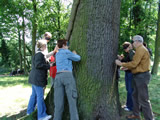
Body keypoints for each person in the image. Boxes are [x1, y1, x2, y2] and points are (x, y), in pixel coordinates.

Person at [115, 35, 154, 120]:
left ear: (137, 41)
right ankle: (136, 114)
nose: (132, 44)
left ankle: (150, 118)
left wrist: (121, 64)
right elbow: (138, 64)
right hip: (138, 75)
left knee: (143, 99)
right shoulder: (139, 49)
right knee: (135, 95)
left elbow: (134, 63)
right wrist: (127, 67)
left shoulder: (141, 49)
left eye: (133, 42)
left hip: (142, 76)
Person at [53, 39, 81, 120]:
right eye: (67, 44)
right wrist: (74, 53)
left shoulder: (57, 54)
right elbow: (78, 58)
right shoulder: (66, 52)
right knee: (72, 101)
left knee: (58, 103)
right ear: (64, 45)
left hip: (58, 77)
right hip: (67, 76)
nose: (68, 46)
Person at [27, 40, 53, 120]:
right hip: (38, 79)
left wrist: (54, 52)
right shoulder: (40, 54)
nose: (46, 47)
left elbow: (45, 58)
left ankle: (29, 112)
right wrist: (49, 66)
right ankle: (41, 116)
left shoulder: (39, 54)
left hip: (34, 78)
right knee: (39, 97)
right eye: (45, 46)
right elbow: (39, 65)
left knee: (34, 96)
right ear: (41, 46)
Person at [118, 42, 134, 111]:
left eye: (125, 48)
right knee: (128, 89)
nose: (125, 50)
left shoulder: (132, 53)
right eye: (124, 48)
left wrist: (126, 68)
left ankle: (131, 107)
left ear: (129, 47)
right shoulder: (128, 54)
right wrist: (121, 58)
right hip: (127, 73)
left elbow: (133, 64)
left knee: (130, 90)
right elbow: (126, 61)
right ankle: (128, 105)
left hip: (131, 74)